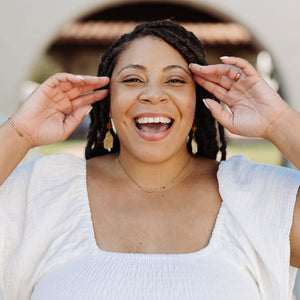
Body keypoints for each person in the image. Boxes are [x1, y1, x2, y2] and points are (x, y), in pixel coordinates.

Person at [0, 19, 299, 300]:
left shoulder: (257, 196)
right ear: (108, 101)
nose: (153, 94)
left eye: (175, 80)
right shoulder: (42, 193)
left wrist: (278, 122)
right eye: (132, 79)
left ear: (198, 103)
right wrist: (20, 132)